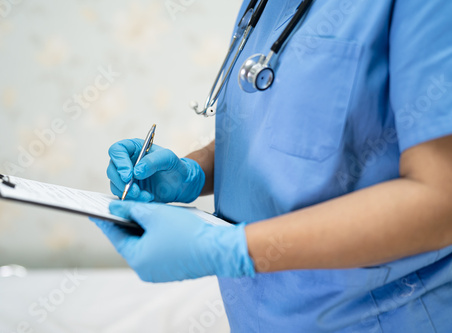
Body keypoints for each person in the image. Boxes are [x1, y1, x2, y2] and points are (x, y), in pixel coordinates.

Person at [92, 0, 452, 331]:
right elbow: (290, 129)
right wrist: (192, 171)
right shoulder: (265, 5)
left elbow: (440, 203)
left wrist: (231, 248)